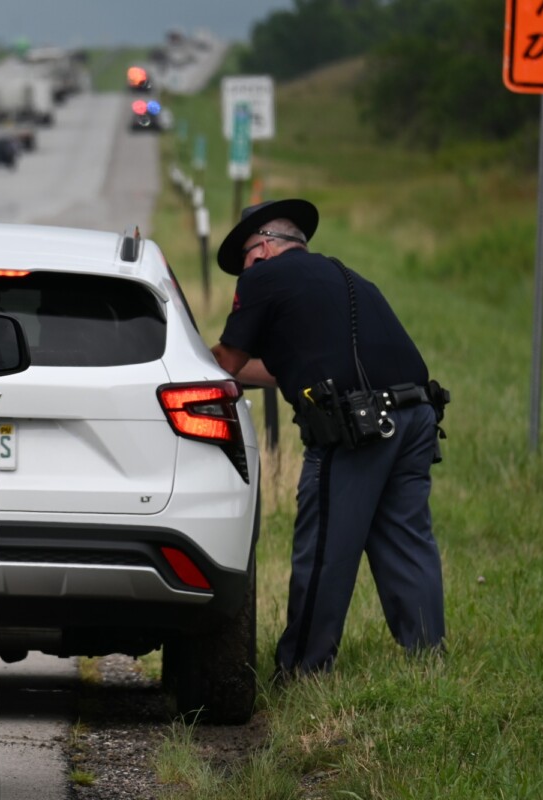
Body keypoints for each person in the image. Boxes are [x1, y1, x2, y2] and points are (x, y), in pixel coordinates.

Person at [210, 198, 447, 680]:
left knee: (324, 548)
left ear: (265, 247)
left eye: (247, 259)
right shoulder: (347, 278)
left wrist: (183, 365)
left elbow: (227, 364)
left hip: (356, 428)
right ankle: (428, 660)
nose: (246, 271)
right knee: (406, 538)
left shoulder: (263, 278)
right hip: (416, 414)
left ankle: (302, 668)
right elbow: (282, 369)